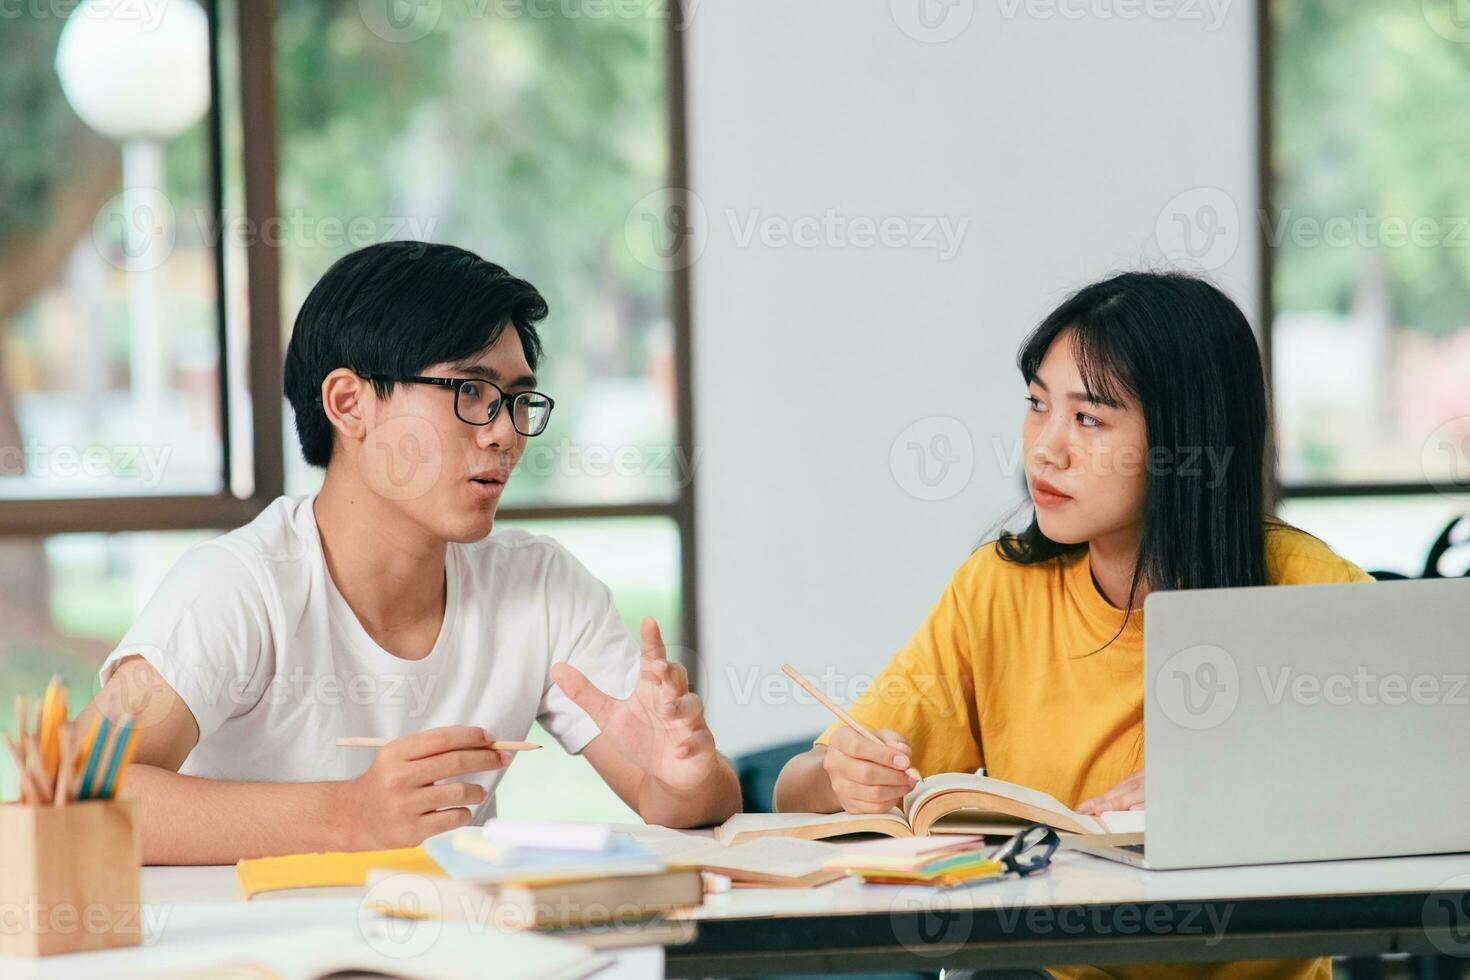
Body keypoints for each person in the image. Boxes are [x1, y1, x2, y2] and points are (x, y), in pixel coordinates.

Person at [773, 270, 1370, 980]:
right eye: (1036, 406)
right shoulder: (998, 589)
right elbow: (792, 791)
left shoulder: (1302, 585)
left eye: (1088, 418)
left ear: (1188, 439)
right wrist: (843, 776)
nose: (1045, 449)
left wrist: (1228, 784)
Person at [81, 242, 740, 864]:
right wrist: (349, 815)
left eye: (517, 399)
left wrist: (684, 776)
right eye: (471, 392)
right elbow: (77, 799)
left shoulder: (539, 586)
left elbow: (687, 804)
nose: (507, 432)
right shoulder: (240, 587)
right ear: (350, 403)